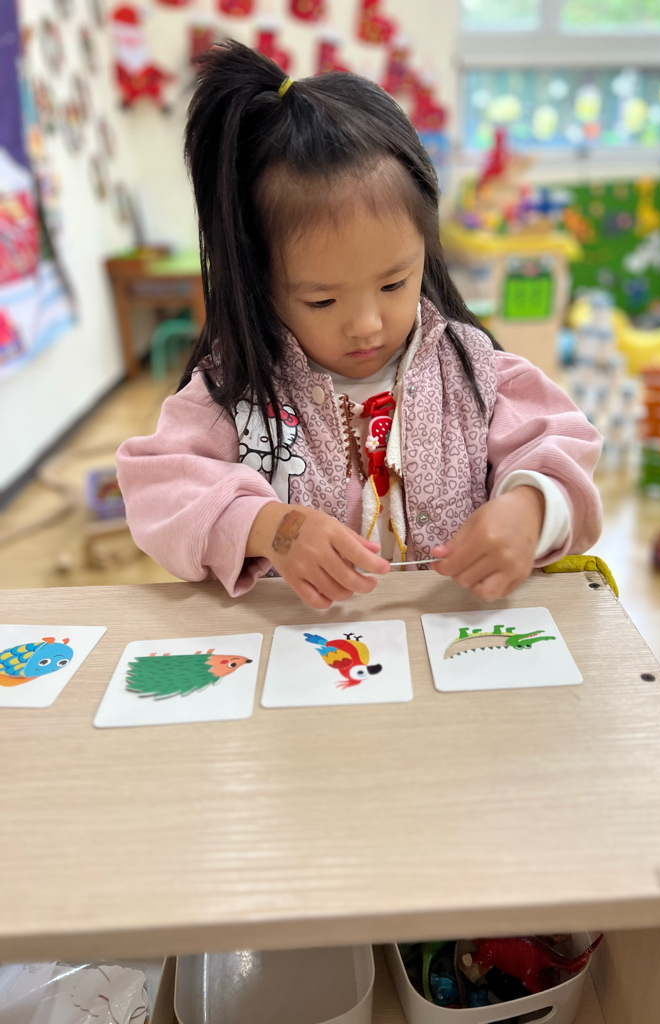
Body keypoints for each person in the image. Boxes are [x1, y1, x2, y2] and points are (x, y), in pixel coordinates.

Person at [117, 42, 602, 611]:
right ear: (258, 281)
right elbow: (159, 490)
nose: (367, 325)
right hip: (303, 647)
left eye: (394, 284)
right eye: (322, 300)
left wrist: (529, 509)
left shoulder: (473, 373)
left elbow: (560, 447)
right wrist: (271, 527)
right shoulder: (236, 391)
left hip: (449, 640)